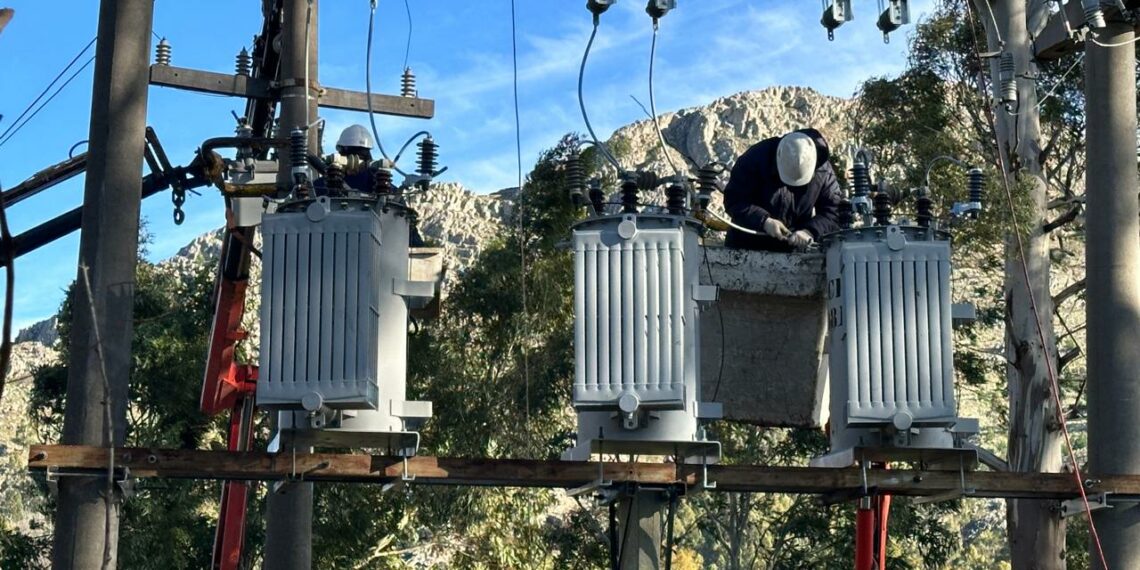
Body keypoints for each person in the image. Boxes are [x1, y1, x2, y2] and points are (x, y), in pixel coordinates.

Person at [723, 128, 842, 252]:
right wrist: (764, 221)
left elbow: (834, 211)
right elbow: (734, 200)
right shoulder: (754, 159)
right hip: (745, 249)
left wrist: (810, 231)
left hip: (796, 252)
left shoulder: (824, 172)